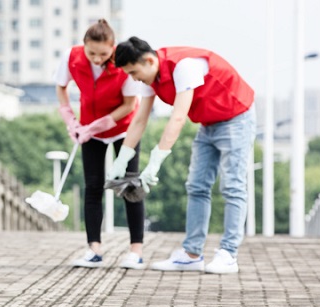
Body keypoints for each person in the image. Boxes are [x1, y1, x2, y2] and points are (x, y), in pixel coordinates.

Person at [109, 36, 256, 274]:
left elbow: (178, 117)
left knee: (232, 187)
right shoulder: (149, 75)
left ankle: (228, 254)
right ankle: (191, 254)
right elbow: (140, 119)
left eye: (134, 72)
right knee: (196, 186)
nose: (134, 78)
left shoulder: (184, 67)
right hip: (208, 123)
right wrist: (122, 157)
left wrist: (155, 161)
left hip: (236, 118)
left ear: (148, 59)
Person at [55, 20, 154, 270]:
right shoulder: (72, 57)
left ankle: (135, 252)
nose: (97, 59)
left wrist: (97, 125)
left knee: (129, 184)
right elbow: (61, 87)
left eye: (103, 54)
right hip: (89, 131)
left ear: (112, 47)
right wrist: (71, 120)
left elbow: (130, 105)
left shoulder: (123, 62)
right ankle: (94, 250)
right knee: (93, 187)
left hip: (123, 129)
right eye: (92, 53)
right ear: (84, 46)